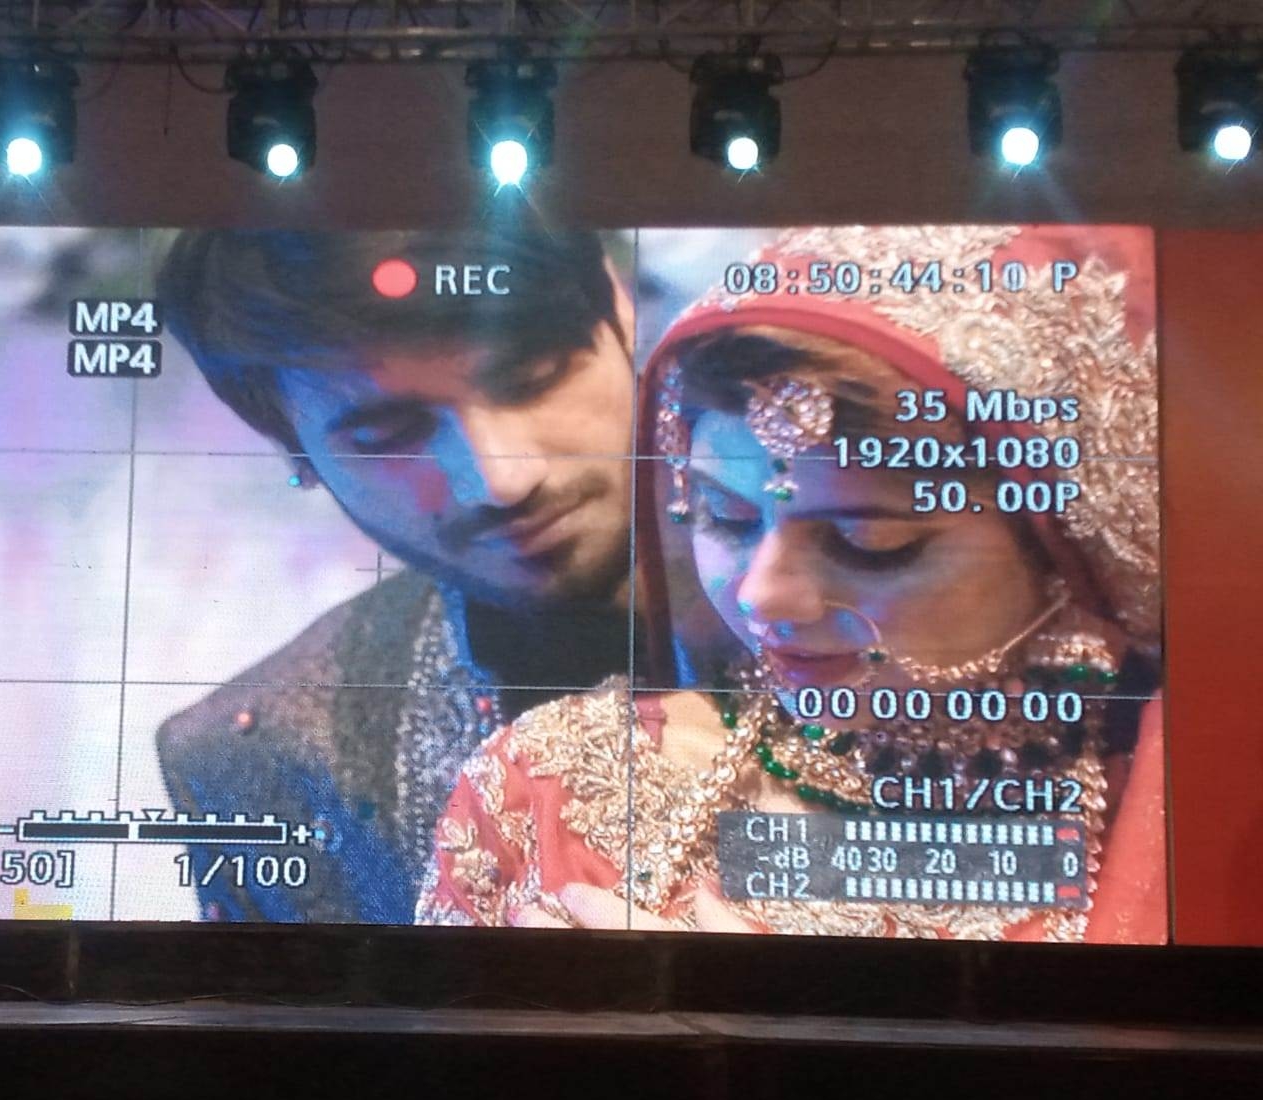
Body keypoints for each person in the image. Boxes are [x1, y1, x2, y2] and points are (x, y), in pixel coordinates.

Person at [417, 224, 1166, 942]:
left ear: (1065, 553)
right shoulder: (553, 789)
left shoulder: (1184, 801)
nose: (761, 595)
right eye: (726, 517)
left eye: (869, 544)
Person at [155, 228, 639, 922]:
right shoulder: (260, 753)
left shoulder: (816, 627)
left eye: (529, 379)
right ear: (293, 450)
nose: (500, 479)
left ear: (619, 307)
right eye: (391, 436)